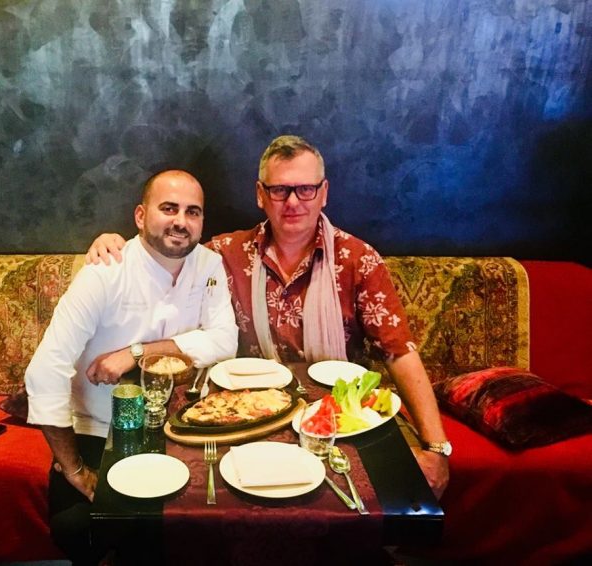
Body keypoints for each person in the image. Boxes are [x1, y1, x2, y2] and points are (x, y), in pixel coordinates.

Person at [86, 136, 450, 498]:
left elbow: (399, 352)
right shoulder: (224, 254)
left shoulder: (359, 260)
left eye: (305, 189)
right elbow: (168, 247)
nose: (292, 202)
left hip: (335, 418)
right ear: (261, 195)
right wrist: (118, 244)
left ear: (323, 193)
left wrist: (436, 447)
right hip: (247, 418)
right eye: (279, 190)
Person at [25, 170, 238, 565]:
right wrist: (74, 469)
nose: (181, 221)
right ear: (140, 216)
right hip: (100, 427)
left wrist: (137, 352)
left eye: (192, 212)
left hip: (182, 427)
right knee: (78, 526)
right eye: (169, 208)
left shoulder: (209, 265)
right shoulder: (105, 271)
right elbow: (45, 370)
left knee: (206, 521)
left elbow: (225, 340)